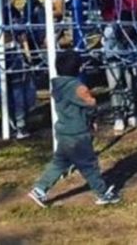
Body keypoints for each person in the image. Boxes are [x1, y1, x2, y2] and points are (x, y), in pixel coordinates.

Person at [28, 50, 121, 208]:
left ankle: (39, 189)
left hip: (63, 131)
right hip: (77, 133)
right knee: (89, 165)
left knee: (59, 163)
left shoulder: (56, 84)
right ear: (78, 68)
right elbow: (91, 104)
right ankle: (103, 193)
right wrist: (92, 117)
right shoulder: (77, 87)